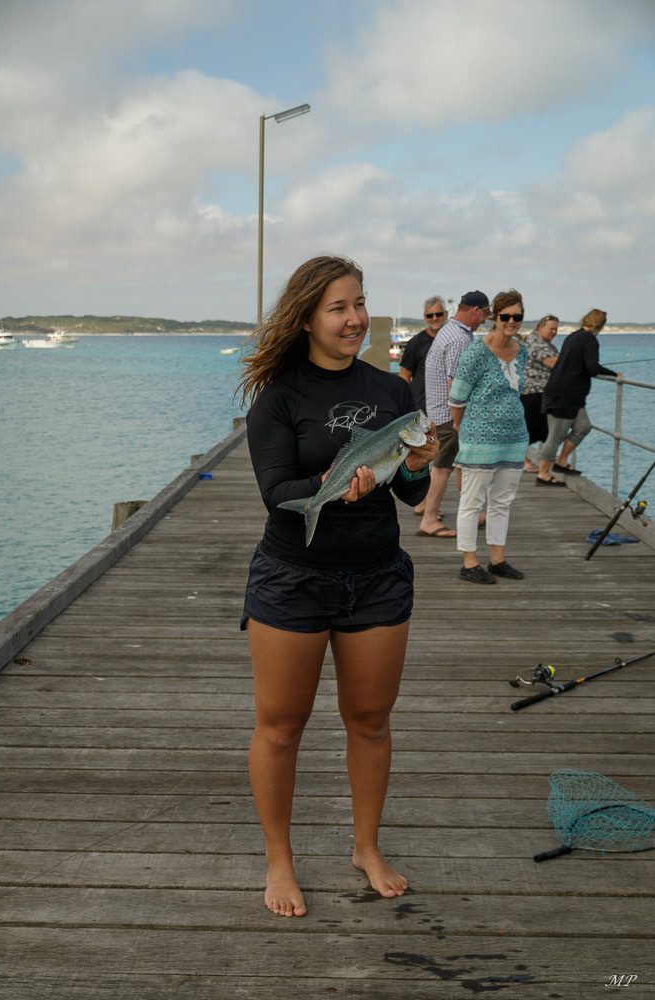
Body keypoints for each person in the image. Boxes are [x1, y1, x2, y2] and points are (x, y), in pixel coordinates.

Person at [237, 255, 438, 918]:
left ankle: (366, 847)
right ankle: (279, 860)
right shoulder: (279, 397)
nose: (355, 319)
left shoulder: (392, 390)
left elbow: (409, 495)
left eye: (360, 304)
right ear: (305, 318)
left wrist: (415, 464)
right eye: (338, 308)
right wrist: (335, 488)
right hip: (292, 578)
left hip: (377, 577)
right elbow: (275, 496)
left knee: (371, 722)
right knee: (281, 727)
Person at [449, 290, 529, 583]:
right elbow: (456, 400)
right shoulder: (476, 352)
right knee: (472, 502)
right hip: (479, 441)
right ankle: (469, 563)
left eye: (517, 317)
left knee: (502, 502)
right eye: (505, 316)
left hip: (514, 439)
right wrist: (464, 429)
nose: (511, 321)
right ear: (494, 317)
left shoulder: (523, 352)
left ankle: (497, 559)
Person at [419, 291, 491, 538]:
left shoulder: (450, 332)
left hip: (441, 412)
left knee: (460, 465)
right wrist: (460, 420)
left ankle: (470, 512)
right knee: (442, 468)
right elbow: (456, 383)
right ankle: (429, 520)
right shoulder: (458, 339)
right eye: (484, 314)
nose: (484, 320)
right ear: (476, 311)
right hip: (450, 415)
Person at [537, 309, 621, 486]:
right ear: (600, 325)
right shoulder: (590, 340)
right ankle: (543, 474)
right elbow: (592, 367)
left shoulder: (574, 336)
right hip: (563, 395)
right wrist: (613, 373)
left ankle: (561, 462)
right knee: (555, 437)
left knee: (583, 427)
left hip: (572, 396)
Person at [399, 295, 448, 514]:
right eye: (430, 315)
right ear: (424, 317)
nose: (434, 318)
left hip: (446, 410)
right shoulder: (415, 343)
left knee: (442, 460)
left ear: (446, 315)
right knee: (422, 458)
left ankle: (429, 504)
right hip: (421, 411)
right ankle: (422, 503)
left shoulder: (448, 340)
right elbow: (404, 377)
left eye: (439, 314)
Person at [521, 315, 559, 472]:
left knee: (546, 429)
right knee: (529, 430)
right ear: (540, 327)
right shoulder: (536, 342)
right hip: (532, 393)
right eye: (551, 328)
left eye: (556, 329)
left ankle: (546, 455)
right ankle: (523, 462)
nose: (554, 332)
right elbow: (553, 362)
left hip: (541, 393)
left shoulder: (546, 343)